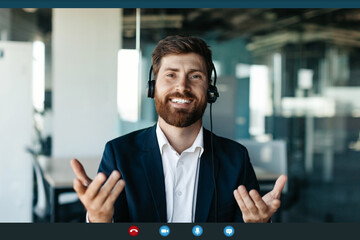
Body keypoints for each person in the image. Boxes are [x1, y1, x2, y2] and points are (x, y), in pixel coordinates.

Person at [70, 35, 287, 223]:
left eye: (195, 76)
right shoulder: (120, 153)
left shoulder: (235, 158)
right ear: (153, 87)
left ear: (210, 90)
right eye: (171, 75)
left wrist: (258, 225)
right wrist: (98, 220)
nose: (182, 86)